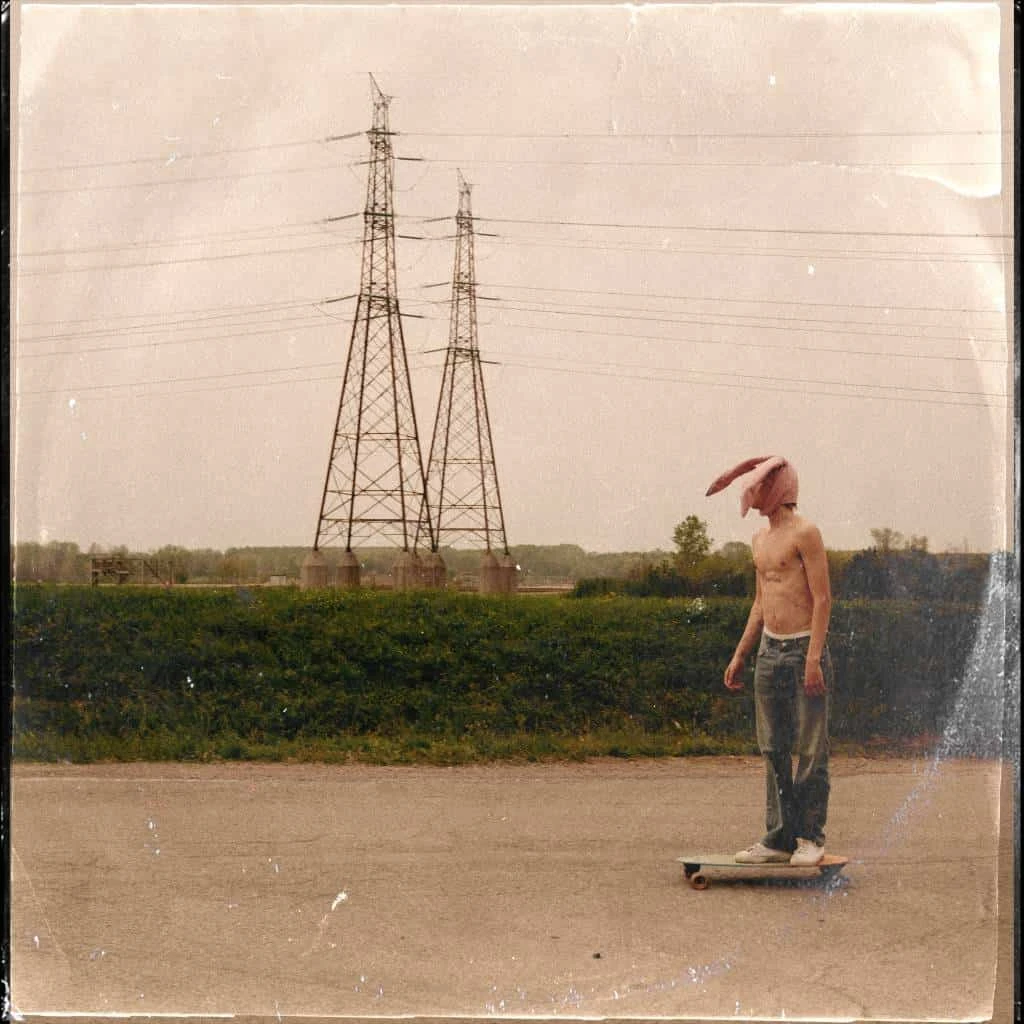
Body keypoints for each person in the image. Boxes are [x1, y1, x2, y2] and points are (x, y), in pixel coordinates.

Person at [706, 456, 833, 866]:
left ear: (777, 487)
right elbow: (760, 603)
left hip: (802, 650)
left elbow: (823, 599)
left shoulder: (806, 533)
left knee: (810, 748)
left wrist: (813, 658)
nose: (754, 493)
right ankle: (779, 839)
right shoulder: (759, 540)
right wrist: (740, 654)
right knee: (773, 747)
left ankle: (811, 838)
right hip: (769, 651)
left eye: (760, 485)